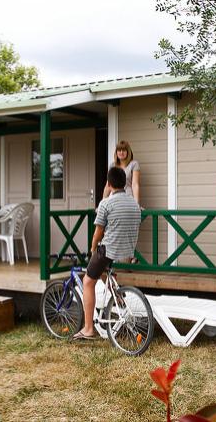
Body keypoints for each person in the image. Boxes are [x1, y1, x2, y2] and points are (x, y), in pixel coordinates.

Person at [72, 166, 141, 340]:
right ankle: (120, 301)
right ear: (125, 183)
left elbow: (98, 233)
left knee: (88, 281)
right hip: (127, 251)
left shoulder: (106, 203)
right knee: (106, 275)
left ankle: (88, 329)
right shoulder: (134, 203)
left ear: (109, 184)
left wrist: (93, 248)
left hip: (109, 250)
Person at [103, 140, 141, 205]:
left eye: (123, 150)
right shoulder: (112, 165)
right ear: (116, 152)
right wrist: (103, 202)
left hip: (128, 198)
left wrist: (136, 203)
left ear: (128, 152)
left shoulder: (134, 164)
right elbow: (108, 185)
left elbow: (135, 185)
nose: (121, 152)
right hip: (114, 198)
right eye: (119, 150)